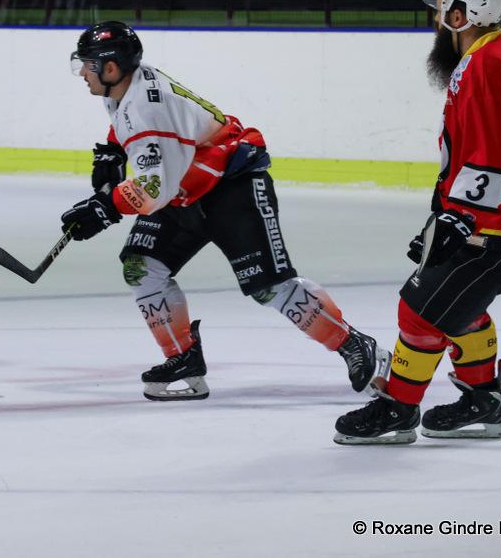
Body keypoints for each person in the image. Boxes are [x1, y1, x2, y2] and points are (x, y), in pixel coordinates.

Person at [61, 21, 389, 401]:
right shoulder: (123, 88)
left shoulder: (144, 108)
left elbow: (154, 188)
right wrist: (113, 148)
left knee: (269, 287)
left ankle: (354, 344)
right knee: (141, 265)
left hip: (233, 187)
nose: (82, 73)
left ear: (111, 67)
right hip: (187, 187)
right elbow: (146, 140)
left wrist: (105, 208)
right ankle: (183, 357)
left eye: (88, 65)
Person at [333, 0, 501, 444]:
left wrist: (459, 219)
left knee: (419, 310)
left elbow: (490, 155)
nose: (435, 17)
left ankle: (398, 409)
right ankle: (483, 402)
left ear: (461, 15)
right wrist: (445, 212)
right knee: (460, 304)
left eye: (442, 7)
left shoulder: (487, 64)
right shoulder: (496, 53)